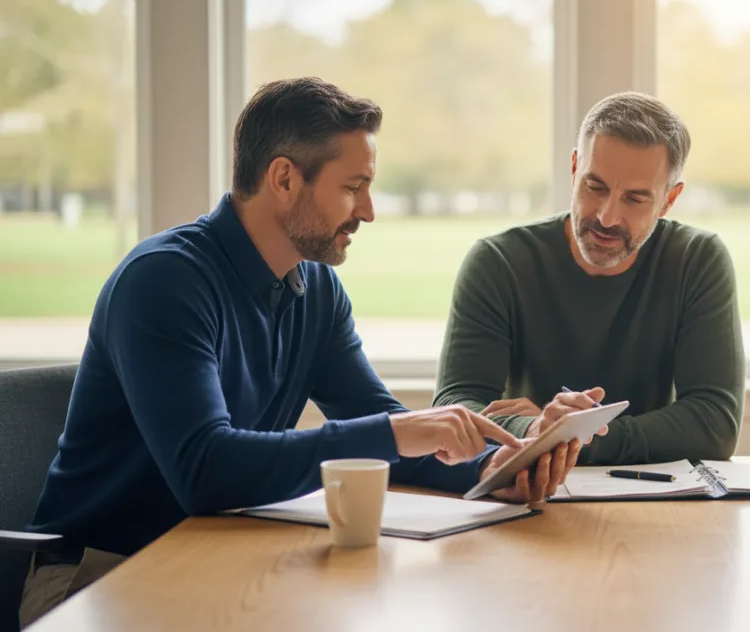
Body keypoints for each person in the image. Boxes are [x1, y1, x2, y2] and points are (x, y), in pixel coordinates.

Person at [19, 77, 581, 628]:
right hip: (97, 579)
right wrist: (397, 432)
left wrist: (492, 472)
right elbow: (205, 471)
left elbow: (385, 429)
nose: (368, 211)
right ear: (284, 178)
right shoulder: (164, 281)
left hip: (218, 560)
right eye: (352, 186)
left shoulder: (315, 288)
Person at [432, 91, 745, 465]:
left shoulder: (697, 260)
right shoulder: (498, 262)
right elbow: (456, 405)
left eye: (635, 199)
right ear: (574, 167)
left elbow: (715, 425)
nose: (607, 217)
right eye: (594, 187)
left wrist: (564, 436)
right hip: (523, 495)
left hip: (650, 502)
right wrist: (531, 430)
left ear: (669, 200)